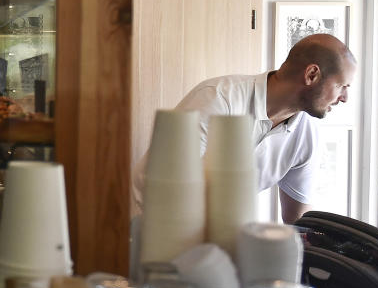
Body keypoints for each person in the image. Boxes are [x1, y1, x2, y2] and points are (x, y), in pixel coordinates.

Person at [132, 33, 356, 224]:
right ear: (311, 75)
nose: (344, 98)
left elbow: (297, 220)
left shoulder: (307, 134)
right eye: (342, 86)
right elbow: (167, 188)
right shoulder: (218, 98)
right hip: (149, 228)